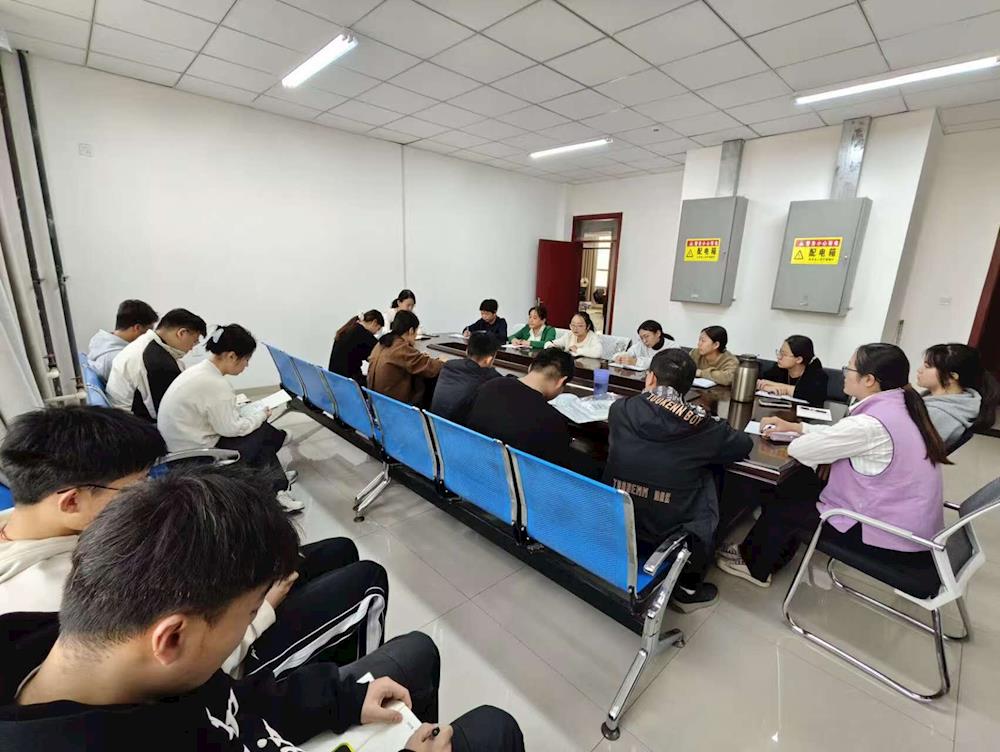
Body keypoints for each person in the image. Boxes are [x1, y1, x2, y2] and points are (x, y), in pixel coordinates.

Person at [0, 465, 525, 752]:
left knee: (415, 655)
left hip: (268, 727)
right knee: (494, 728)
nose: (254, 621)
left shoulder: (73, 644)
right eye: (250, 613)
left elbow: (227, 704)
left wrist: (338, 699)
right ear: (174, 637)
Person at [717, 343, 949, 587]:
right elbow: (841, 436)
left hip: (886, 535)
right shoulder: (899, 405)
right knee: (802, 484)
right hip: (905, 523)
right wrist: (798, 427)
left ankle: (754, 565)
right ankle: (763, 555)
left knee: (791, 492)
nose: (845, 374)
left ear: (869, 380)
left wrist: (799, 437)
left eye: (849, 368)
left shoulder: (870, 424)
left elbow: (801, 449)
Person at [605, 349, 752, 612]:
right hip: (670, 524)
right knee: (712, 475)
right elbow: (743, 444)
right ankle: (687, 587)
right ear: (688, 386)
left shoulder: (620, 410)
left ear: (651, 378)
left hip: (619, 512)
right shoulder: (705, 426)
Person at [0, 406, 165, 616]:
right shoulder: (71, 593)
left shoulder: (16, 522)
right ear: (71, 502)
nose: (145, 494)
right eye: (135, 487)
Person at [156, 324, 301, 512]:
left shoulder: (199, 371)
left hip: (179, 449)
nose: (246, 365)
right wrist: (260, 415)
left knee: (260, 435)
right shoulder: (215, 384)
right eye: (246, 359)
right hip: (196, 458)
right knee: (261, 431)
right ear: (232, 356)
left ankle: (275, 482)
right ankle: (277, 485)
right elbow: (232, 429)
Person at [467, 348, 598, 478]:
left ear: (530, 368)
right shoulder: (551, 419)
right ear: (561, 381)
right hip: (516, 481)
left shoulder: (489, 386)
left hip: (474, 469)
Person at [107, 307, 207, 420]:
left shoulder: (146, 343)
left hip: (122, 415)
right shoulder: (157, 360)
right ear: (182, 333)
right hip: (131, 423)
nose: (192, 348)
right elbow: (168, 414)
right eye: (194, 341)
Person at [917, 343, 999, 448]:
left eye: (927, 367)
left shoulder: (939, 415)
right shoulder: (966, 402)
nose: (920, 370)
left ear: (951, 377)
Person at [367, 310, 444, 406]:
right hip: (392, 406)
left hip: (375, 402)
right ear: (411, 330)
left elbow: (411, 360)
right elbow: (429, 367)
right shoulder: (400, 347)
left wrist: (417, 356)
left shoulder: (381, 343)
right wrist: (442, 361)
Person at [430, 332, 501, 424]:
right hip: (458, 430)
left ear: (466, 351)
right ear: (489, 359)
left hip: (433, 423)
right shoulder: (490, 379)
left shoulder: (449, 365)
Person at [86, 299, 158, 381]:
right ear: (137, 328)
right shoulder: (119, 359)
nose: (149, 335)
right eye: (149, 330)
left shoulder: (101, 341)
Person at [757, 335, 829, 407]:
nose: (779, 357)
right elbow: (761, 381)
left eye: (784, 354)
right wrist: (766, 387)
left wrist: (784, 389)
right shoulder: (780, 368)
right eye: (779, 352)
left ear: (799, 359)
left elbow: (813, 396)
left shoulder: (817, 374)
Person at [329, 310, 385, 385]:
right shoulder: (362, 334)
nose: (376, 333)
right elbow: (379, 354)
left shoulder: (349, 328)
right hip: (348, 381)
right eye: (378, 329)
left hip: (334, 378)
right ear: (374, 322)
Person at [611, 319, 680, 369]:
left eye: (646, 336)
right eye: (641, 338)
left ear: (658, 333)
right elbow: (629, 353)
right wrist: (620, 357)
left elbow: (661, 364)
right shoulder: (641, 345)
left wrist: (635, 362)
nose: (644, 341)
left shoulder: (673, 347)